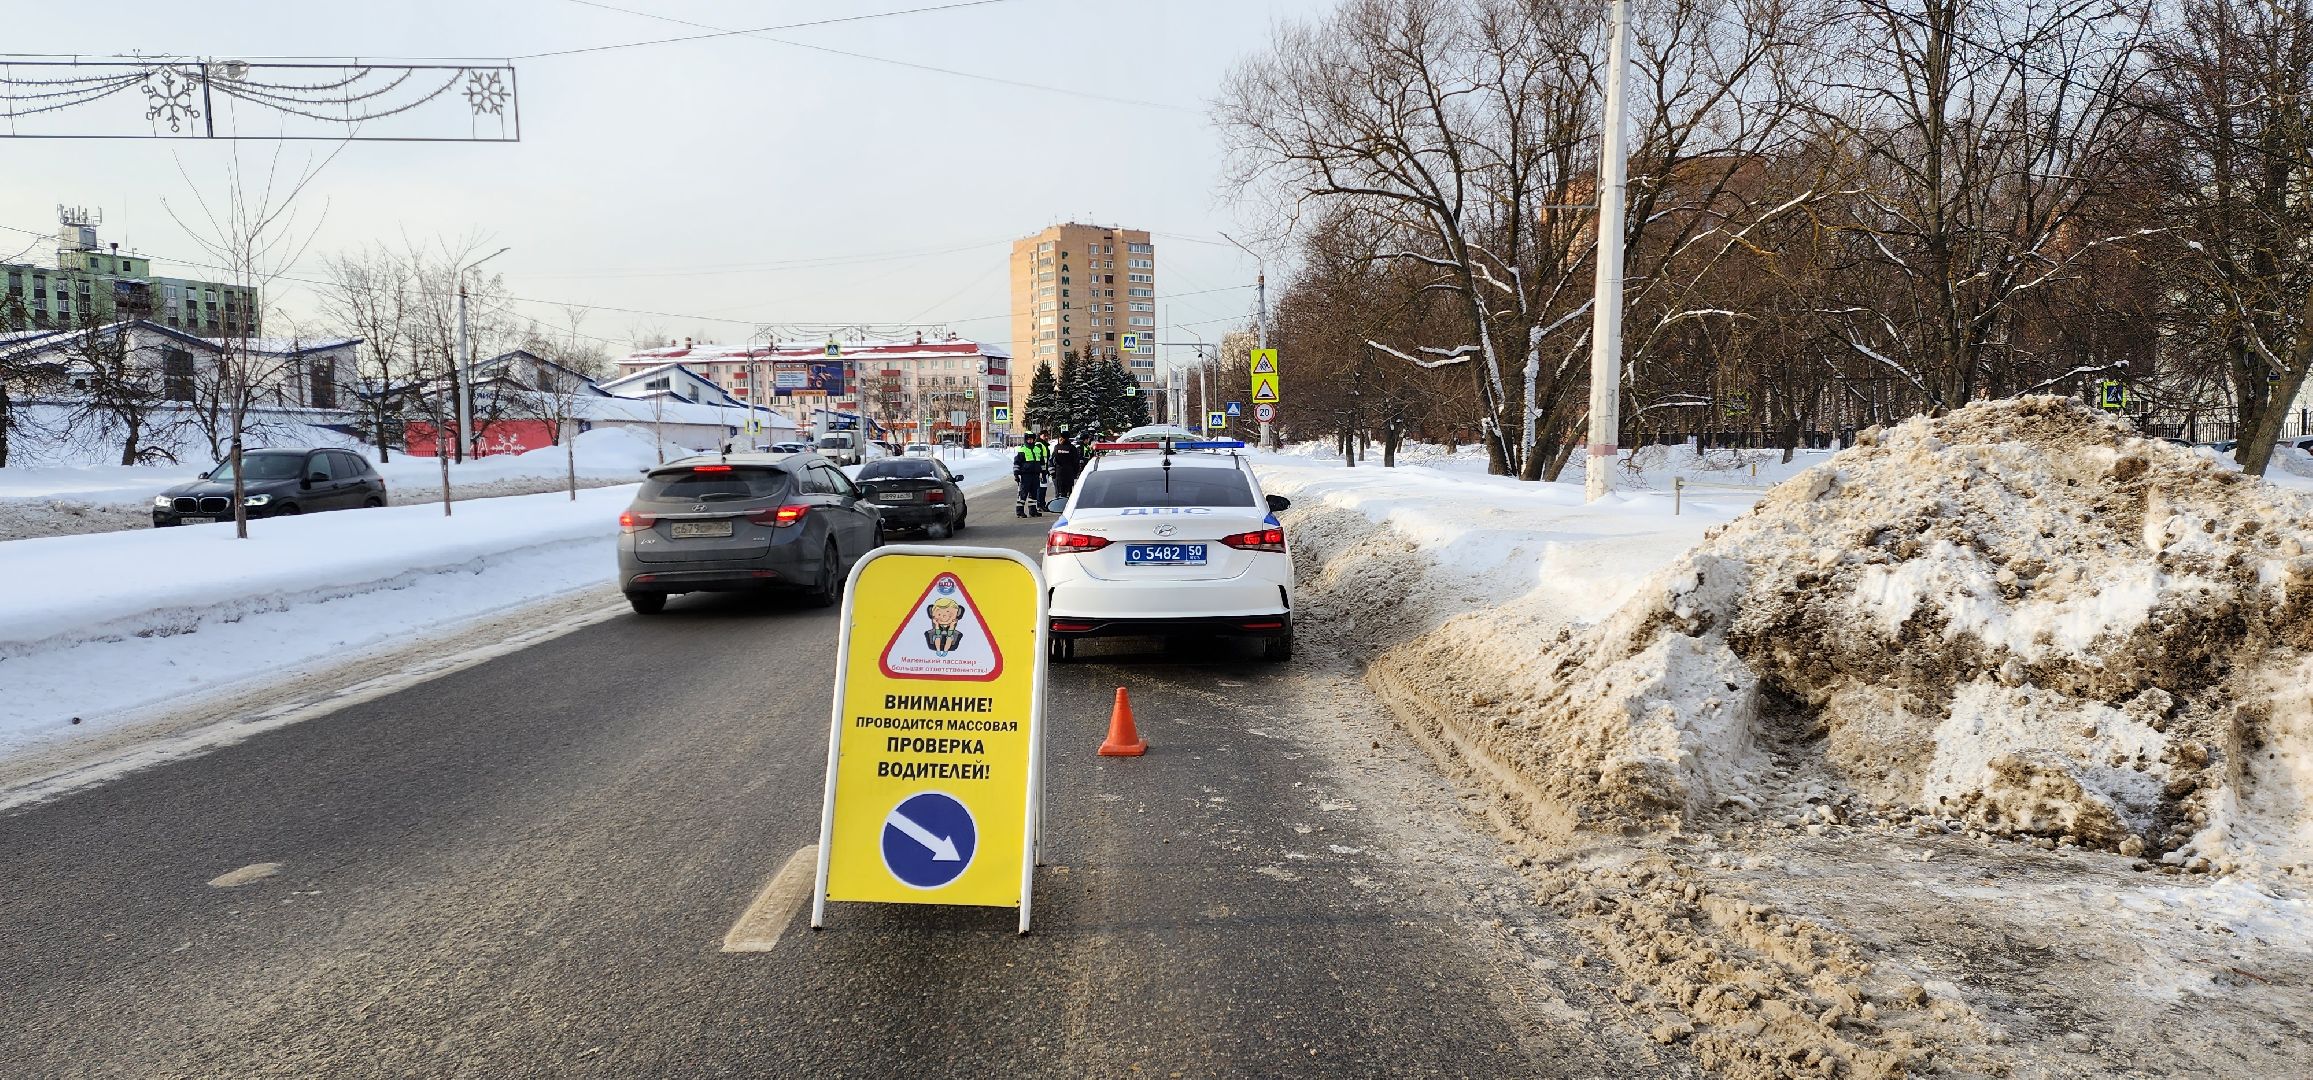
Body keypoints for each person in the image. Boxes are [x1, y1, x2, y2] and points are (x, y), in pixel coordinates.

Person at [1013, 435, 1049, 517]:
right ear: (1026, 440)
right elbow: (1017, 463)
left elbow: (1042, 463)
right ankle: (1020, 512)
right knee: (1023, 494)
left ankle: (1033, 511)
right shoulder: (1022, 450)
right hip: (1026, 475)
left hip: (1035, 475)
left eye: (1031, 439)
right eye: (1028, 439)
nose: (1030, 441)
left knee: (1034, 494)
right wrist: (1016, 474)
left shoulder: (1037, 449)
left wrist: (1043, 473)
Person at [1049, 432, 1085, 500]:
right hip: (1069, 473)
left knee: (1059, 492)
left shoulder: (1057, 447)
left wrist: (1052, 472)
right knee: (1068, 492)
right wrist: (1075, 473)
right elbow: (1076, 462)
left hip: (1059, 473)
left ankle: (1059, 506)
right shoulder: (1072, 448)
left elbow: (1053, 460)